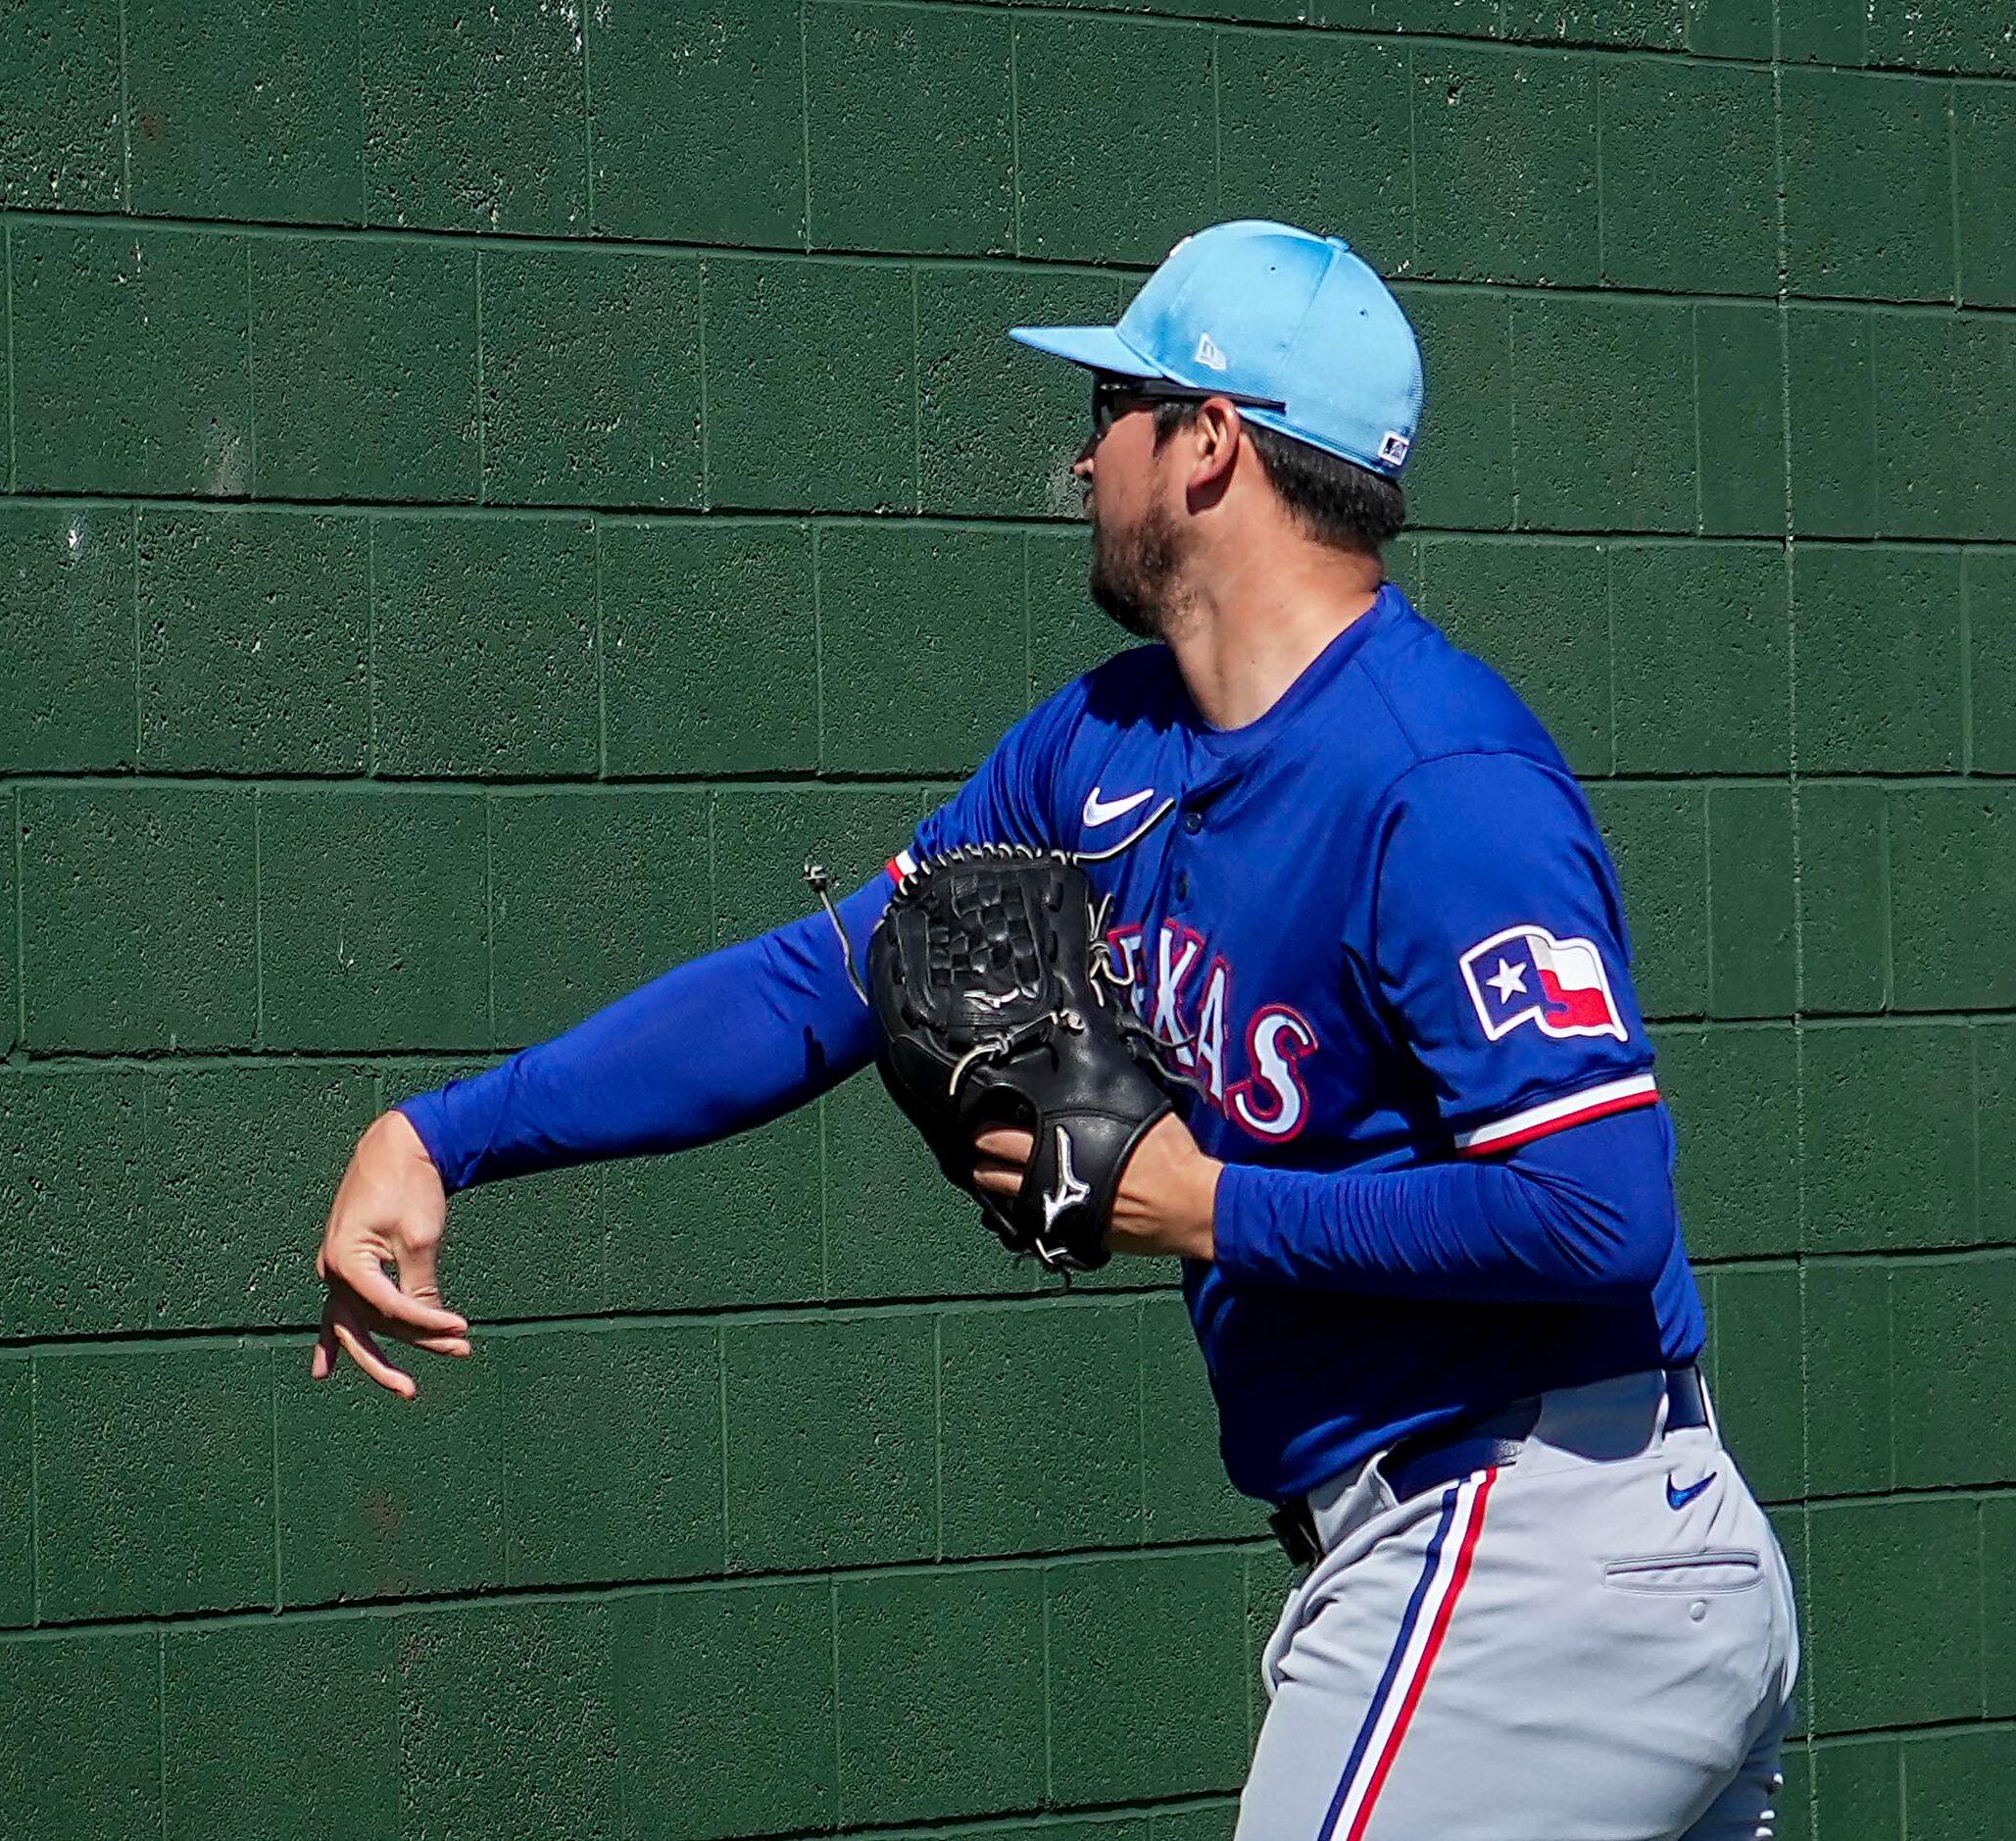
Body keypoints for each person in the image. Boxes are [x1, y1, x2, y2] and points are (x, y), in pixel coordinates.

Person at [309, 220, 1799, 1839]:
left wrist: (1209, 1206)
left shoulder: (1438, 787)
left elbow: (1597, 1210)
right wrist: (445, 1131)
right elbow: (825, 981)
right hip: (1503, 1553)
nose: (1079, 452)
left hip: (1527, 1551)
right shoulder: (1100, 744)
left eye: (1113, 403)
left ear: (1211, 443)